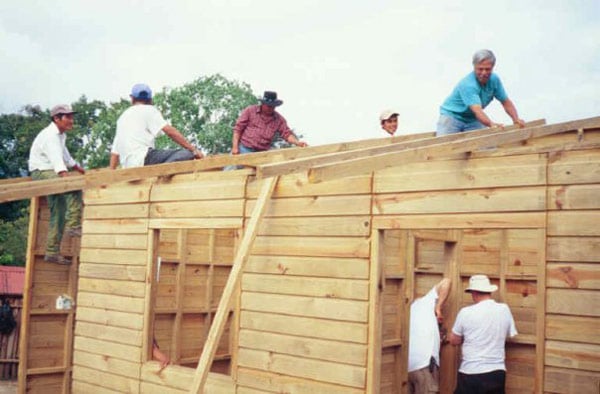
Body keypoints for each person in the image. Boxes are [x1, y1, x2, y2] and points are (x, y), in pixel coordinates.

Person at [28, 104, 85, 265]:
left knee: (59, 212)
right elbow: (58, 163)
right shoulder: (50, 136)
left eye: (71, 116)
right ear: (56, 118)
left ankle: (52, 252)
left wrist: (78, 168)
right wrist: (68, 180)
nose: (71, 120)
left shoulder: (60, 135)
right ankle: (74, 226)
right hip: (41, 171)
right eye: (68, 117)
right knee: (74, 187)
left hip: (48, 170)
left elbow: (65, 156)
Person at [449, 275, 518, 394]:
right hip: (497, 373)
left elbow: (454, 340)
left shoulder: (465, 313)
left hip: (471, 372)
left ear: (474, 292)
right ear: (489, 291)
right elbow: (509, 333)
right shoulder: (504, 309)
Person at [110, 83, 203, 169]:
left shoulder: (122, 119)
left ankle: (162, 170)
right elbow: (170, 132)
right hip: (144, 159)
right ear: (150, 100)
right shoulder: (148, 110)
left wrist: (111, 175)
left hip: (128, 167)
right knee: (186, 153)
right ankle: (162, 171)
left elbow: (115, 152)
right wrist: (194, 150)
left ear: (132, 98)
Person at [436, 49, 525, 136]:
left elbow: (505, 102)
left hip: (472, 119)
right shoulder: (468, 84)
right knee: (444, 148)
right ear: (474, 66)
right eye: (480, 69)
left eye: (487, 69)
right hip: (452, 117)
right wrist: (491, 124)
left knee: (485, 147)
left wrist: (516, 119)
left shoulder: (494, 80)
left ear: (493, 67)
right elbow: (477, 111)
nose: (484, 73)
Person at [408, 278, 451, 394]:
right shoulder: (425, 302)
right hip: (424, 367)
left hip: (407, 368)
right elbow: (446, 281)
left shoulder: (406, 311)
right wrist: (438, 307)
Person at [231, 91, 307, 155]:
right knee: (230, 170)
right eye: (268, 106)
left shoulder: (279, 119)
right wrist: (235, 147)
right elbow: (238, 129)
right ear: (263, 104)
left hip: (262, 153)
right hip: (244, 149)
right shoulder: (250, 111)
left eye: (273, 106)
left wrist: (297, 142)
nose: (271, 108)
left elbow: (286, 134)